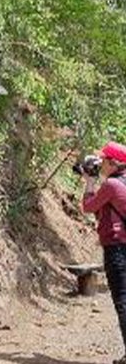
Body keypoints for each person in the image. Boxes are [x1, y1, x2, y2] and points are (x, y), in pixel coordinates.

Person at [83, 141, 126, 364]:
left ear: (113, 163)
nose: (101, 165)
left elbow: (88, 206)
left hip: (117, 247)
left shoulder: (111, 185)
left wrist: (90, 182)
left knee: (122, 300)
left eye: (104, 160)